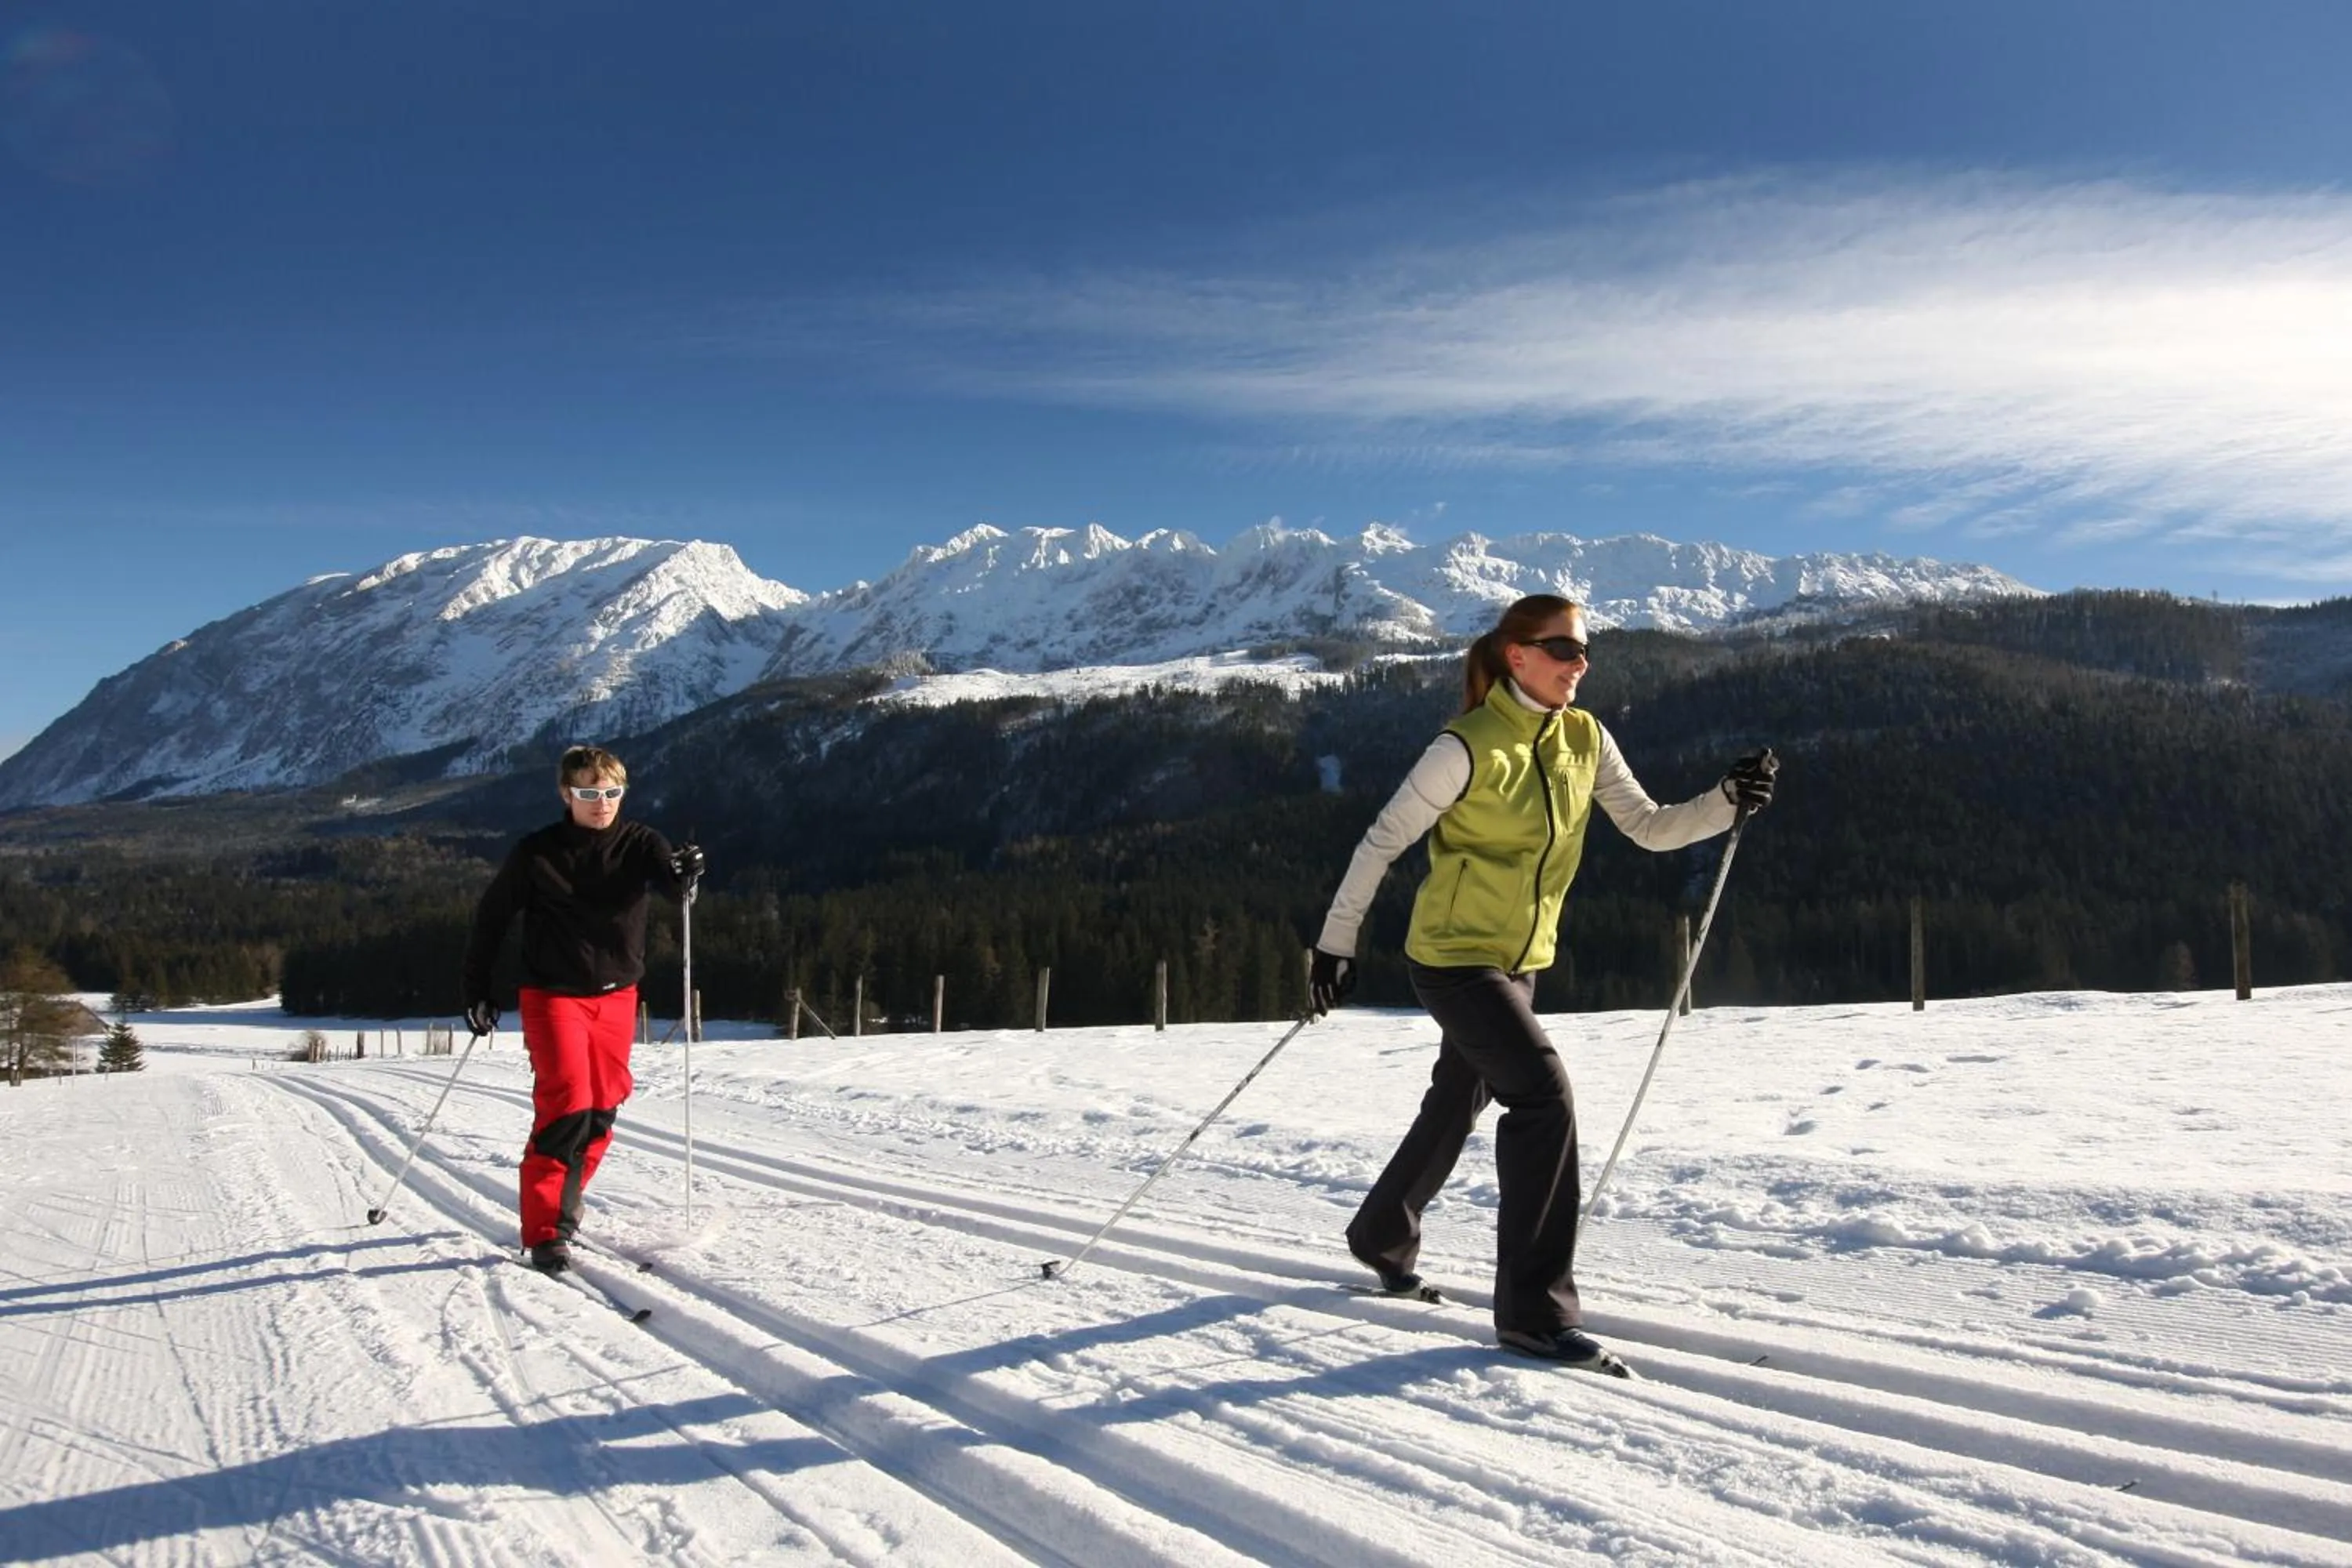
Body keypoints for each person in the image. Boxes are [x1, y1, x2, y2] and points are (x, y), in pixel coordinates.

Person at [1308, 593, 1774, 1374]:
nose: (1578, 663)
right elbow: (1381, 842)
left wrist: (1724, 804)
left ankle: (1380, 1231)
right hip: (1453, 957)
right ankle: (1534, 1315)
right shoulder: (1465, 746)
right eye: (1562, 648)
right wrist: (1335, 943)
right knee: (1543, 1094)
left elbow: (1649, 825)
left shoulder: (1585, 737)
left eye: (1584, 649)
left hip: (1521, 960)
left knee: (1459, 1096)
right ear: (1516, 655)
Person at [460, 744, 704, 1272]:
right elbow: (492, 918)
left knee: (602, 1106)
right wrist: (478, 988)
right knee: (567, 1101)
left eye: (612, 792)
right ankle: (546, 1229)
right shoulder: (537, 853)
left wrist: (686, 874)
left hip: (616, 995)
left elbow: (673, 885)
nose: (603, 803)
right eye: (589, 794)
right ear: (566, 794)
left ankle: (565, 1201)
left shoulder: (641, 842)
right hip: (553, 994)